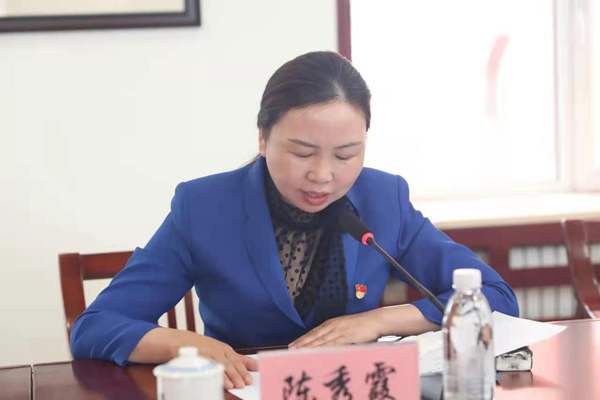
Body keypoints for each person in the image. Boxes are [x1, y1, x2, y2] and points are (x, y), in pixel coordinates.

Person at [71, 51, 519, 389]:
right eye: (303, 153)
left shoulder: (384, 198)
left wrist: (378, 322)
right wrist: (189, 345)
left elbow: (495, 297)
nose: (322, 175)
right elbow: (97, 325)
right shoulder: (205, 206)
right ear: (263, 138)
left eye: (346, 155)